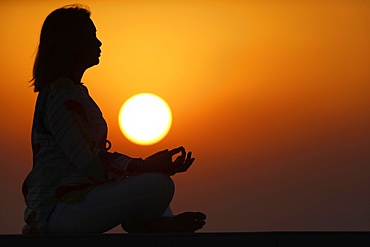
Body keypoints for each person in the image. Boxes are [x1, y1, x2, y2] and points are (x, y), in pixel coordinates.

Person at [22, 4, 206, 234]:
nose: (98, 43)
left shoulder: (73, 92)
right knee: (159, 184)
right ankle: (149, 224)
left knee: (154, 180)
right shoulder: (62, 94)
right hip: (61, 212)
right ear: (71, 44)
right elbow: (89, 162)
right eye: (92, 36)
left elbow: (95, 163)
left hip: (76, 203)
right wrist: (142, 165)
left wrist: (144, 167)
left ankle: (153, 223)